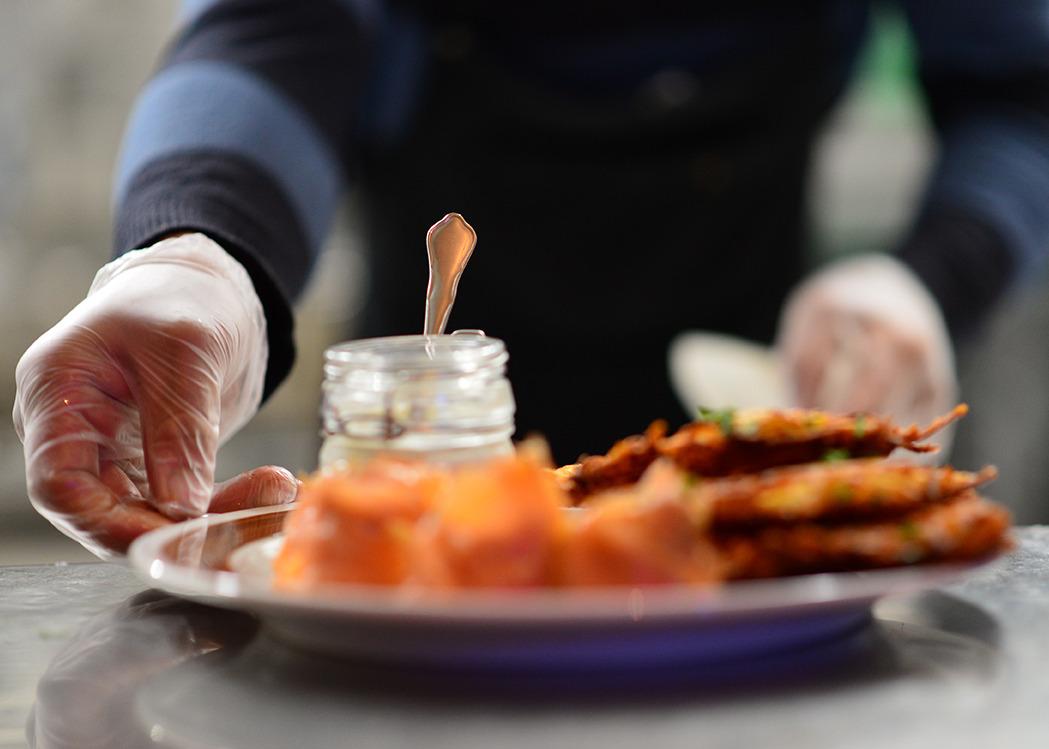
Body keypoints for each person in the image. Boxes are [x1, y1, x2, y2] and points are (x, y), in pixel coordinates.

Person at [14, 1, 1049, 556]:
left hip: (748, 411)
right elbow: (275, 27)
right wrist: (199, 256)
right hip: (426, 440)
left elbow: (1018, 91)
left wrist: (929, 279)